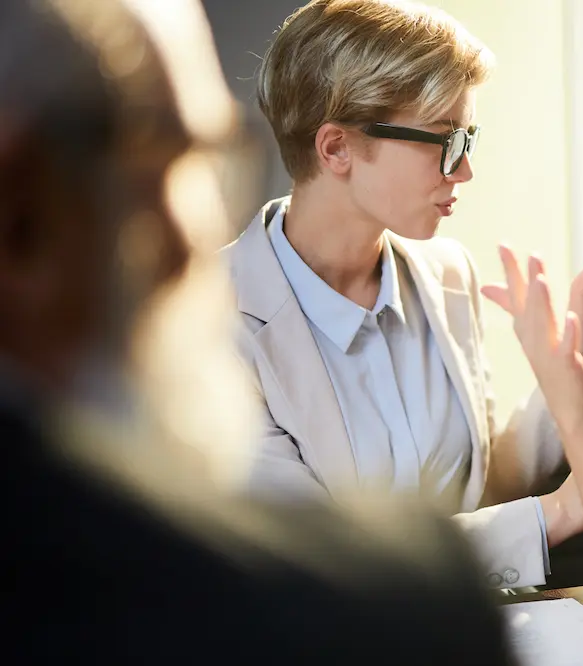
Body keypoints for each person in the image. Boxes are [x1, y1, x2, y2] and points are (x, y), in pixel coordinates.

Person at [4, 0, 513, 662]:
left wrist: (571, 390)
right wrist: (538, 525)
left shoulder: (451, 275)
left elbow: (486, 464)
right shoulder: (407, 602)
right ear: (19, 209)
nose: (188, 242)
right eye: (174, 162)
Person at [227, 0, 583, 592]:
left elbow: (488, 483)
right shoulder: (214, 323)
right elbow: (319, 563)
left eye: (468, 137)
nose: (466, 169)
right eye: (445, 140)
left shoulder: (449, 273)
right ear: (336, 149)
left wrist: (575, 357)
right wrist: (563, 509)